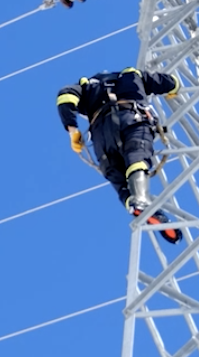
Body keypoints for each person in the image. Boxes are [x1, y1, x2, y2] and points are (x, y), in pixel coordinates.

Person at [57, 67, 183, 243]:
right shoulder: (132, 76)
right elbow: (170, 82)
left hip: (101, 135)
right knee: (137, 156)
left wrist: (73, 131)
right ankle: (141, 200)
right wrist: (174, 89)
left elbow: (64, 97)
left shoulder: (85, 87)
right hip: (132, 118)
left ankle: (136, 203)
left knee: (117, 178)